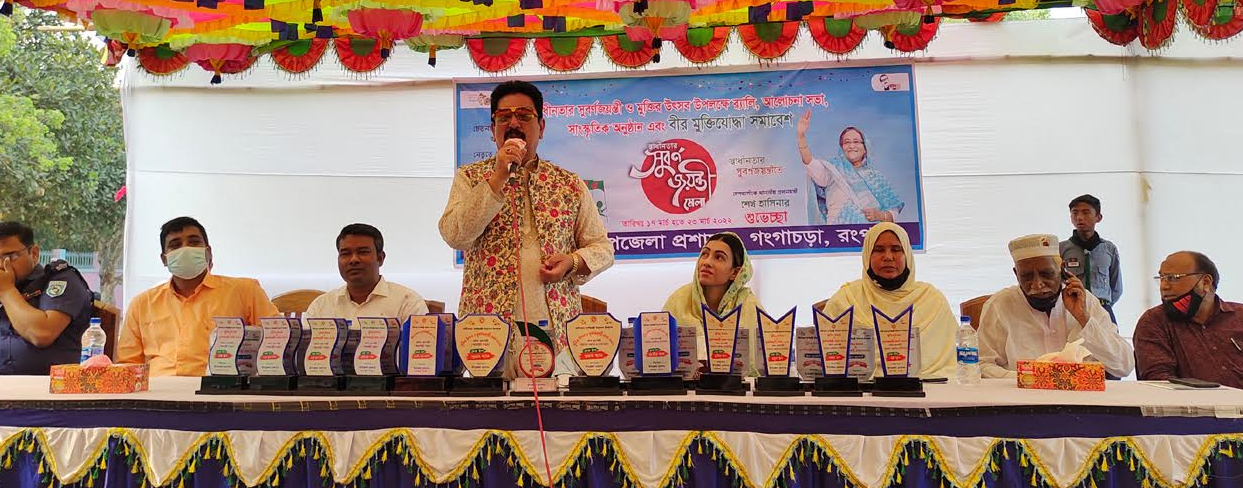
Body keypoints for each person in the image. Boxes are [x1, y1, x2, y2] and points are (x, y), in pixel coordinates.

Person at [439, 81, 614, 377]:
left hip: (555, 326)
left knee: (555, 404)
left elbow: (602, 248)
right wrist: (497, 178)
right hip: (488, 331)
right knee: (494, 405)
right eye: (503, 117)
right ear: (493, 128)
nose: (513, 123)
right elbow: (455, 235)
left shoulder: (568, 184)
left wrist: (572, 262)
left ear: (541, 127)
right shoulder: (470, 178)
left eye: (524, 116)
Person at [117, 217, 279, 376]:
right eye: (175, 245)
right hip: (159, 387)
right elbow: (128, 364)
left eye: (194, 242)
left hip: (218, 387)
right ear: (164, 259)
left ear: (208, 252)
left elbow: (277, 340)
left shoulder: (245, 291)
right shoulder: (142, 304)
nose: (185, 249)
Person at [977, 234, 1133, 378]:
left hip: (1079, 397)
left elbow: (1124, 366)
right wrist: (1029, 377)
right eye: (1027, 276)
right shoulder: (999, 305)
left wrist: (1083, 318)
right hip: (1023, 396)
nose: (1037, 284)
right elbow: (981, 364)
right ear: (1016, 274)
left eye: (1046, 274)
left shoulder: (1086, 302)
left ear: (1062, 269)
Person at [819, 222, 956, 378]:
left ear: (907, 255)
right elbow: (825, 355)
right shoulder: (846, 299)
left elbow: (953, 359)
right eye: (879, 250)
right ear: (867, 256)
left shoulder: (931, 300)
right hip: (860, 389)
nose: (888, 257)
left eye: (896, 249)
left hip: (928, 387)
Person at [1134, 251, 1243, 388]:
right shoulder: (1154, 322)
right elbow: (1160, 381)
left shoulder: (1239, 316)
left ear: (1205, 282)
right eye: (1161, 278)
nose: (1164, 286)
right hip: (1190, 401)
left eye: (1173, 278)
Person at [662, 232, 762, 375]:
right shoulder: (679, 300)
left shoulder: (748, 305)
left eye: (719, 257)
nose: (706, 262)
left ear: (735, 273)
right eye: (704, 254)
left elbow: (761, 363)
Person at [0, 221, 93, 374]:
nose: (2, 265)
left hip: (49, 384)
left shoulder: (60, 279)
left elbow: (42, 334)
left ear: (34, 253)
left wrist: (6, 291)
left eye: (9, 256)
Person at [795, 110, 904, 225]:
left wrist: (879, 215)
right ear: (842, 148)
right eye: (847, 142)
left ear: (865, 147)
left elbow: (894, 213)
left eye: (856, 141)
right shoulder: (833, 170)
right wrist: (801, 136)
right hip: (839, 232)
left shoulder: (876, 178)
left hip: (871, 233)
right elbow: (810, 164)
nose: (851, 146)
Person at [305, 223, 428, 321]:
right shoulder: (321, 306)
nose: (353, 260)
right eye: (346, 253)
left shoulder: (407, 302)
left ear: (380, 258)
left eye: (363, 252)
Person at [1059, 194, 1122, 323]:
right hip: (1073, 310)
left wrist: (1101, 305)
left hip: (1102, 309)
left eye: (1086, 212)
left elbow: (1116, 288)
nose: (1079, 217)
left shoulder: (1109, 249)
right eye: (1075, 213)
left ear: (1098, 217)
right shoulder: (1061, 249)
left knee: (1108, 336)